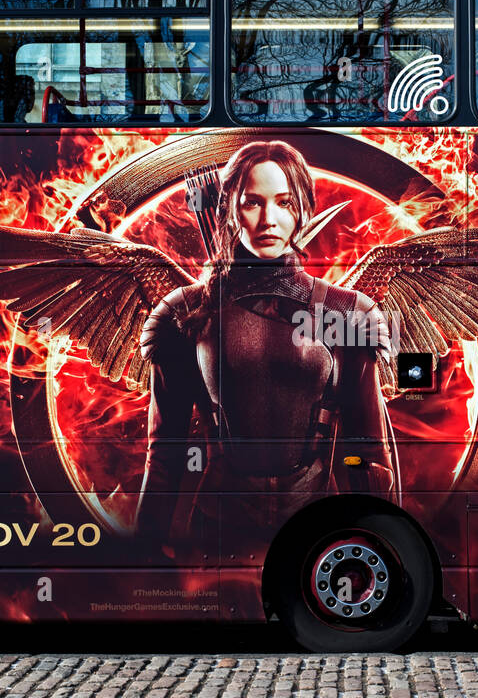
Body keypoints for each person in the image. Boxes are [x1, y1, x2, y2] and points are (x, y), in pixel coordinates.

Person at [136, 140, 398, 537]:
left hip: (317, 536)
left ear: (303, 210)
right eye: (253, 202)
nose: (268, 220)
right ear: (229, 209)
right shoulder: (186, 311)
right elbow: (164, 454)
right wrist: (142, 559)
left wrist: (387, 546)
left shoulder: (347, 311)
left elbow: (369, 454)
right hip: (217, 538)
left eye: (284, 202)